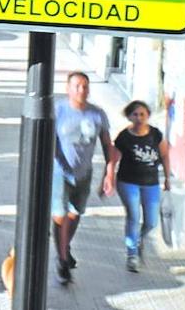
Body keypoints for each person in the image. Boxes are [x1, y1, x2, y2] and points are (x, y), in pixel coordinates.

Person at [51, 71, 117, 285]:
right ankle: (62, 261)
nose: (82, 90)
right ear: (68, 88)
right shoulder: (58, 110)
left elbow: (108, 145)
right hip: (61, 172)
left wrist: (109, 174)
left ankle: (64, 246)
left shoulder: (97, 114)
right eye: (77, 86)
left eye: (85, 86)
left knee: (75, 213)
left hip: (84, 173)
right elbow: (47, 139)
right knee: (60, 214)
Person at [108, 99, 172, 272]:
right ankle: (132, 254)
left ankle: (139, 239)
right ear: (129, 117)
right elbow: (113, 160)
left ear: (148, 116)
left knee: (151, 221)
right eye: (135, 114)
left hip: (151, 183)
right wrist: (109, 178)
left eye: (142, 114)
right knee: (133, 217)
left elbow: (165, 155)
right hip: (128, 182)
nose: (139, 118)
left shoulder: (155, 135)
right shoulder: (124, 137)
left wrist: (167, 177)